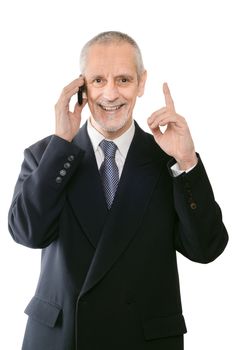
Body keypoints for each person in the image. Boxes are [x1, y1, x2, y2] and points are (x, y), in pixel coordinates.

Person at [8, 31, 228, 350]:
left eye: (123, 80)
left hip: (142, 338)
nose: (110, 93)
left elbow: (206, 249)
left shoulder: (167, 159)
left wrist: (186, 161)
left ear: (141, 82)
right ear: (82, 85)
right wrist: (60, 143)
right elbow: (27, 233)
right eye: (98, 80)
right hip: (63, 337)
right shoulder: (47, 157)